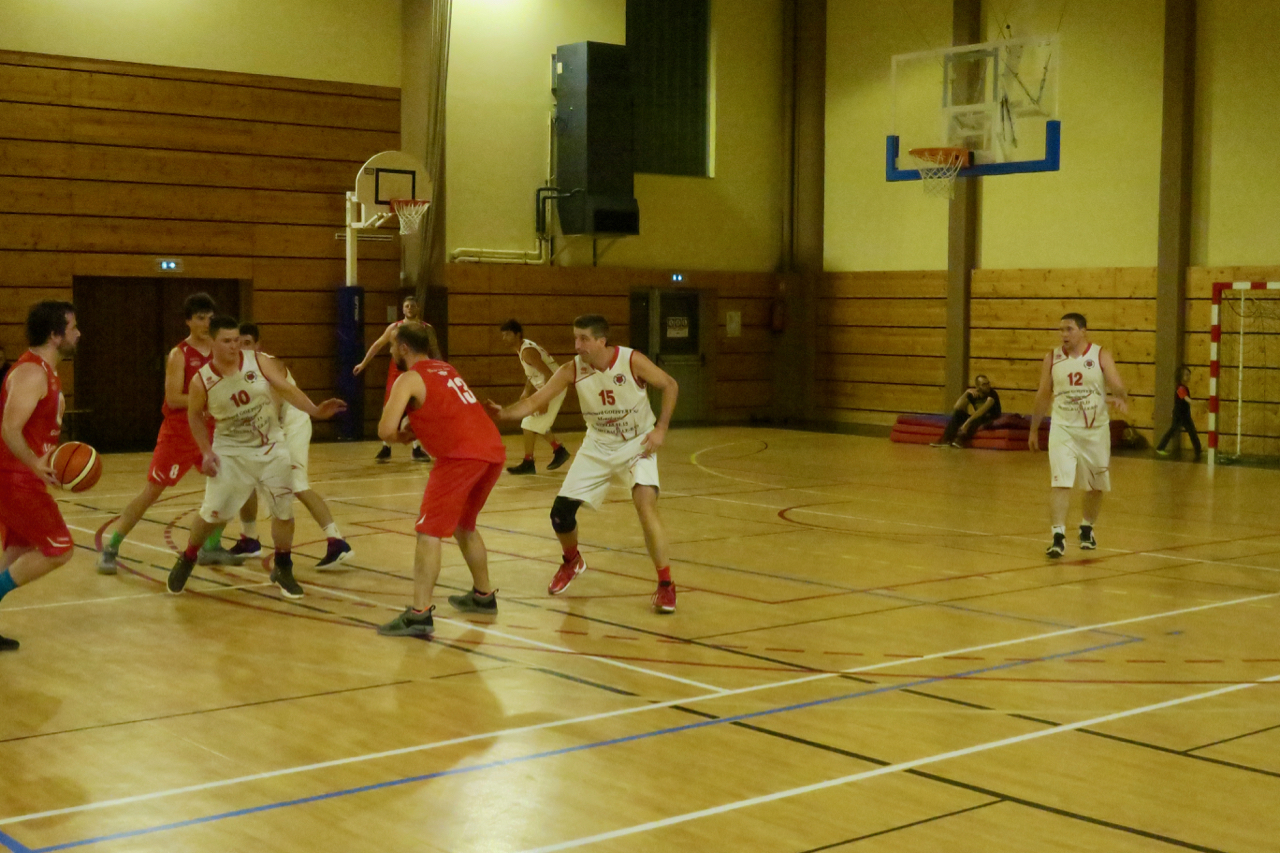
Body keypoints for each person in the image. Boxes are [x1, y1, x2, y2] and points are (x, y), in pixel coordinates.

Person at [487, 314, 680, 613]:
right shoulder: (572, 369)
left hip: (637, 442)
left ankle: (666, 584)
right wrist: (505, 413)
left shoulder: (631, 361)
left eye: (584, 339)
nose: (577, 345)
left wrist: (661, 428)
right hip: (598, 444)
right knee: (560, 514)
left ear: (602, 341)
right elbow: (535, 401)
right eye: (575, 338)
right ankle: (572, 561)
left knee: (645, 505)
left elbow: (669, 385)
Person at [167, 316, 346, 598]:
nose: (233, 346)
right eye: (227, 341)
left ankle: (283, 567)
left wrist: (313, 410)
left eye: (237, 340)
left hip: (271, 446)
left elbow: (285, 388)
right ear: (212, 342)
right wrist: (206, 451)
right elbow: (194, 417)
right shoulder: (202, 380)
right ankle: (188, 556)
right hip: (231, 452)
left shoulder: (259, 361)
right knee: (211, 513)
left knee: (283, 511)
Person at [376, 322, 507, 638]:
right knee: (464, 525)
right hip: (492, 450)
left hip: (460, 456)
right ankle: (483, 596)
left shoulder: (409, 378)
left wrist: (400, 436)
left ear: (404, 348)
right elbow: (448, 410)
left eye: (392, 346)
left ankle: (419, 614)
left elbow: (384, 430)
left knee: (428, 531)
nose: (390, 352)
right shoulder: (447, 369)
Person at [98, 293, 238, 573]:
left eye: (210, 318)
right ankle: (111, 546)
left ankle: (211, 546)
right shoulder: (180, 354)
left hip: (213, 431)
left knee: (231, 485)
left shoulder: (220, 350)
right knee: (152, 491)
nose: (205, 323)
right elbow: (173, 398)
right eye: (200, 318)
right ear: (188, 321)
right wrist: (209, 399)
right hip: (180, 433)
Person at [227, 324, 353, 567]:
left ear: (258, 345)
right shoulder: (234, 370)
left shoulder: (269, 365)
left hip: (291, 427)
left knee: (297, 484)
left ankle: (337, 541)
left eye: (247, 343)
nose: (242, 348)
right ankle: (249, 539)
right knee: (245, 478)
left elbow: (272, 408)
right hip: (266, 429)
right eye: (237, 343)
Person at [0, 302, 81, 650]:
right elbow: (9, 428)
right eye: (73, 328)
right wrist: (34, 463)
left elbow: (34, 432)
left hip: (20, 477)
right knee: (60, 549)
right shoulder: (32, 372)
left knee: (17, 552)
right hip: (15, 478)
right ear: (54, 334)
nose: (78, 333)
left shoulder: (46, 370)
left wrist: (51, 462)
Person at [1030, 313, 1129, 558]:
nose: (1064, 334)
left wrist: (1119, 395)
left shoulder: (1100, 355)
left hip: (1095, 430)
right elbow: (1043, 394)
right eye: (1061, 329)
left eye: (1069, 329)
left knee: (1095, 485)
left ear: (1083, 331)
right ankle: (1058, 536)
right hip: (1063, 428)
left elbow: (1117, 385)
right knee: (1060, 482)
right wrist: (1034, 429)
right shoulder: (1052, 358)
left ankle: (1087, 527)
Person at [353, 294, 438, 462]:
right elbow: (378, 344)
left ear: (418, 308)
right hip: (397, 371)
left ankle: (416, 448)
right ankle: (386, 446)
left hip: (417, 369)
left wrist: (440, 368)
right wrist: (363, 363)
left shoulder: (426, 328)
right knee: (389, 405)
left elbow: (435, 349)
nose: (410, 308)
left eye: (412, 306)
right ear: (403, 309)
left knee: (415, 407)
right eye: (407, 306)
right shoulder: (395, 327)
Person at [498, 319, 570, 474]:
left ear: (518, 334)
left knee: (528, 423)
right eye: (503, 335)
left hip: (555, 388)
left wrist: (544, 400)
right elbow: (532, 372)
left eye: (508, 334)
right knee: (538, 422)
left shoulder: (527, 352)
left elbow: (549, 374)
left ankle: (529, 462)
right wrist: (526, 391)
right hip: (549, 388)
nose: (504, 338)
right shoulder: (523, 348)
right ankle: (558, 450)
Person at [931, 374, 1002, 447]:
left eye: (988, 383)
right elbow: (957, 407)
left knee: (977, 418)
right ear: (978, 387)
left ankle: (961, 440)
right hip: (979, 416)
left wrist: (966, 423)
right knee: (958, 413)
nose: (987, 386)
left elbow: (981, 411)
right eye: (984, 384)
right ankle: (946, 440)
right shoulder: (974, 394)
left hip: (990, 417)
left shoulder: (992, 394)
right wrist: (966, 393)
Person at [1156, 366, 1201, 460]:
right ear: (1181, 376)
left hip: (1185, 415)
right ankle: (1160, 448)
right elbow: (1186, 398)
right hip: (1179, 415)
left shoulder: (1185, 388)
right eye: (1186, 375)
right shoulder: (1180, 388)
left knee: (1192, 432)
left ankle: (1198, 451)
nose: (1188, 377)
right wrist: (1196, 403)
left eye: (1189, 375)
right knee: (1173, 431)